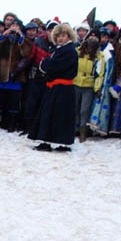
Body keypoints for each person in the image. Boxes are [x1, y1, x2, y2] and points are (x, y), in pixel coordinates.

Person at [34, 23, 79, 152]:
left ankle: (54, 142)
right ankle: (57, 141)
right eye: (58, 36)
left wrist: (44, 64)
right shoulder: (62, 50)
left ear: (69, 36)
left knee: (57, 115)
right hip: (58, 87)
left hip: (61, 88)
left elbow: (53, 66)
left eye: (63, 35)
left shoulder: (68, 51)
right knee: (57, 115)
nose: (60, 38)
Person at [73, 33, 104, 142]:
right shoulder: (77, 52)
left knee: (84, 110)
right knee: (74, 107)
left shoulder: (99, 56)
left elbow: (99, 74)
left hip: (88, 86)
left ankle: (82, 131)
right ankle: (73, 128)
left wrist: (97, 88)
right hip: (75, 83)